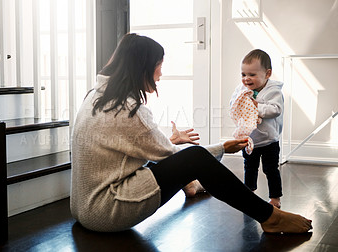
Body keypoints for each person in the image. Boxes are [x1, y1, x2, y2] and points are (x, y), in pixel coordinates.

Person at [70, 33, 312, 233]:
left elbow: (134, 145)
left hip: (84, 207)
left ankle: (194, 187)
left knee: (186, 157)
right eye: (159, 67)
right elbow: (176, 156)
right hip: (108, 211)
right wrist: (223, 147)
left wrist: (170, 141)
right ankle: (269, 217)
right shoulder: (128, 109)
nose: (160, 74)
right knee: (195, 157)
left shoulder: (96, 96)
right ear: (142, 68)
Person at [230, 49, 284, 208]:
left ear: (267, 74)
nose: (246, 79)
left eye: (252, 75)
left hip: (269, 140)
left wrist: (256, 107)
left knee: (271, 169)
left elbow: (275, 110)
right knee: (249, 167)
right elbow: (234, 105)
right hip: (249, 138)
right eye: (243, 74)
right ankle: (249, 192)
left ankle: (275, 197)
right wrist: (239, 106)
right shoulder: (241, 90)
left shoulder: (274, 91)